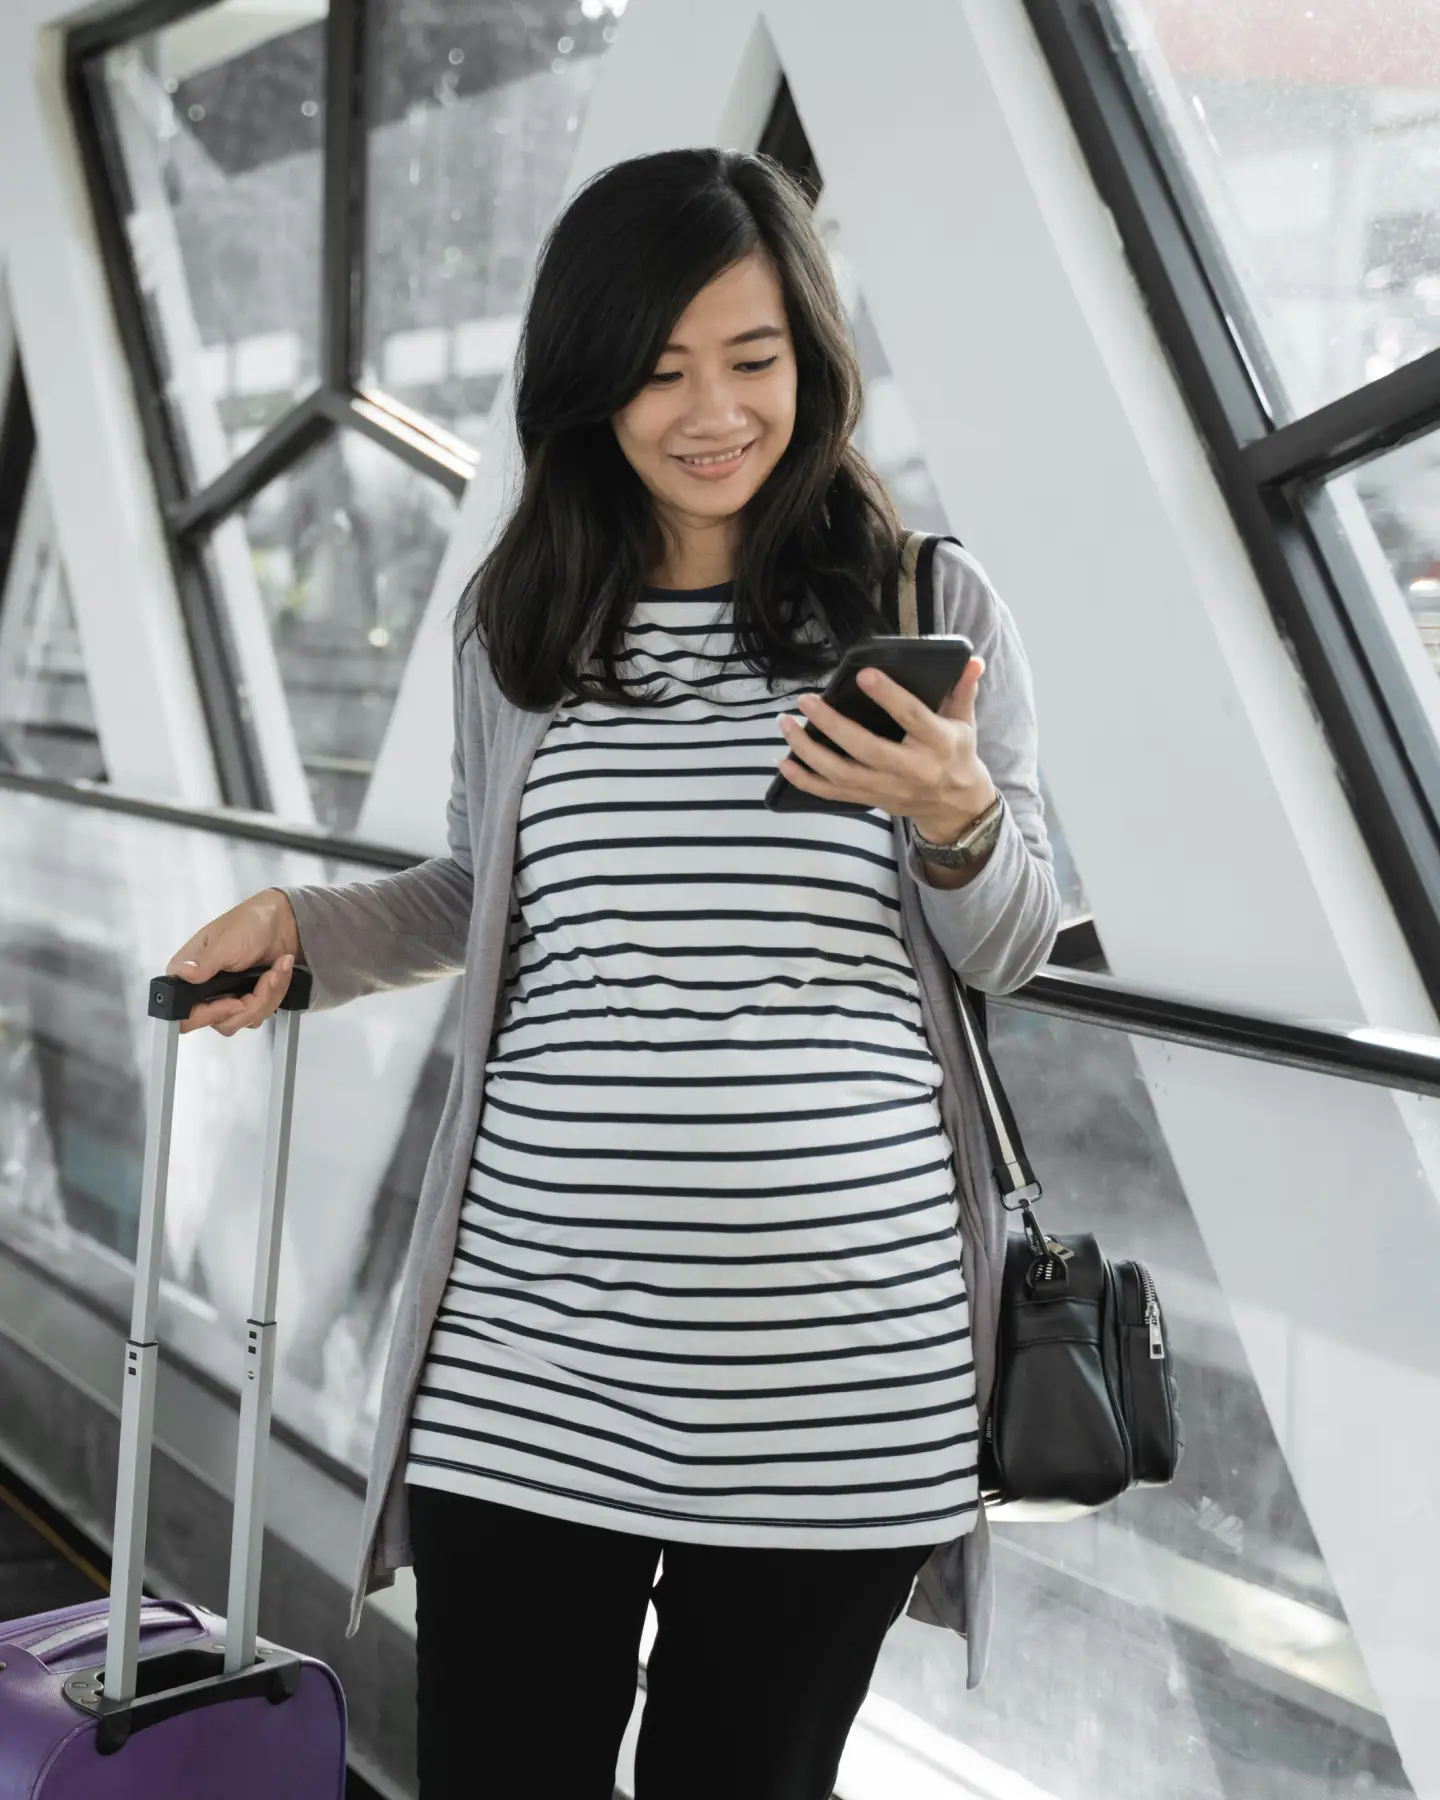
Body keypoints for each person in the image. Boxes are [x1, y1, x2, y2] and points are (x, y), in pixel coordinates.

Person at [167, 148, 1059, 1800]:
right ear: (587, 386)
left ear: (812, 353)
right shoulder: (525, 625)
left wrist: (958, 814)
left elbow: (1013, 943)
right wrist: (308, 929)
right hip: (530, 1357)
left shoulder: (927, 605)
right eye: (657, 372)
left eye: (752, 357)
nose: (712, 411)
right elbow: (484, 892)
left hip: (840, 1385)